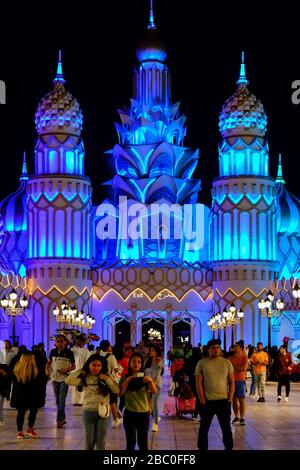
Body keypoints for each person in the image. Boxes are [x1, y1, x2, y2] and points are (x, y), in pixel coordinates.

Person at [65, 354, 119, 449]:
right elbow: (68, 381)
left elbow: (116, 390)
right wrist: (81, 371)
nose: (96, 368)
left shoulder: (106, 377)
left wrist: (106, 379)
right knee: (89, 442)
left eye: (99, 366)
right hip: (88, 412)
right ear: (88, 365)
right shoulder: (84, 378)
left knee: (100, 442)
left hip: (103, 413)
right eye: (94, 365)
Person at [195, 338, 234, 451]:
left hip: (223, 401)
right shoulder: (202, 363)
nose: (216, 350)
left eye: (218, 347)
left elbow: (232, 382)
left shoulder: (226, 362)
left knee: (226, 428)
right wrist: (202, 402)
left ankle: (229, 447)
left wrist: (230, 400)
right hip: (207, 401)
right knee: (204, 428)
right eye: (213, 348)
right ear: (208, 350)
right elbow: (199, 383)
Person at [119, 352, 157, 450]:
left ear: (141, 364)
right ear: (129, 363)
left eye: (139, 362)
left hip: (143, 414)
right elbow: (120, 394)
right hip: (129, 414)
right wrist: (128, 380)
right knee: (130, 443)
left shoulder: (144, 377)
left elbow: (154, 391)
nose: (136, 364)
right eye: (134, 361)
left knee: (143, 443)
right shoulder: (125, 377)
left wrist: (150, 381)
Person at [46, 334, 75, 428]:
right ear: (55, 342)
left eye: (61, 341)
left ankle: (59, 421)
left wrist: (66, 370)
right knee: (58, 400)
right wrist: (47, 370)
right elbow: (49, 362)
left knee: (61, 400)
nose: (59, 343)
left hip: (64, 378)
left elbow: (74, 366)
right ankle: (62, 417)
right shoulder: (53, 351)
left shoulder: (69, 352)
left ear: (65, 342)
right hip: (54, 378)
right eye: (57, 341)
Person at [12, 351, 43, 439]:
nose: (34, 359)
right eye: (32, 358)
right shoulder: (34, 369)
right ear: (30, 359)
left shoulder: (17, 367)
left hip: (21, 394)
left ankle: (20, 432)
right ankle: (29, 429)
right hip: (31, 394)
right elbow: (38, 382)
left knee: (21, 412)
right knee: (33, 411)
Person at [99, 340, 122, 427]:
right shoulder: (111, 356)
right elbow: (116, 369)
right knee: (113, 401)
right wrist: (119, 368)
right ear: (108, 347)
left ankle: (102, 416)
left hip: (100, 380)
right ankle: (115, 420)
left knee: (102, 399)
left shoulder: (98, 355)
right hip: (109, 381)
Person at [145, 344, 164, 431]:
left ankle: (155, 423)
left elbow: (160, 371)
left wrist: (159, 361)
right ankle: (156, 417)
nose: (151, 352)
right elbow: (144, 371)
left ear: (156, 352)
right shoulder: (148, 360)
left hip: (156, 385)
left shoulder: (159, 361)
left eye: (153, 350)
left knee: (154, 404)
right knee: (149, 405)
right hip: (148, 384)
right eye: (150, 350)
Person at [229, 341, 248, 425]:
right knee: (234, 400)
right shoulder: (230, 358)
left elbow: (243, 368)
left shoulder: (244, 358)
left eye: (236, 346)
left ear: (241, 348)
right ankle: (236, 416)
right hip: (232, 381)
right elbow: (229, 369)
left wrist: (234, 368)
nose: (235, 348)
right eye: (234, 346)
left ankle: (242, 417)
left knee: (241, 399)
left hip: (241, 380)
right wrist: (236, 369)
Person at [71, 335, 89, 405]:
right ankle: (75, 401)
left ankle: (81, 401)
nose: (78, 342)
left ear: (83, 342)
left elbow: (87, 361)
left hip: (82, 369)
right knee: (74, 386)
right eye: (77, 341)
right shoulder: (74, 349)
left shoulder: (86, 351)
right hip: (75, 370)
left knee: (81, 386)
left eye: (79, 341)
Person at [0, 363, 11, 428]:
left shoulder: (4, 367)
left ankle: (1, 421)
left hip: (1, 391)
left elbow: (8, 380)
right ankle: (1, 421)